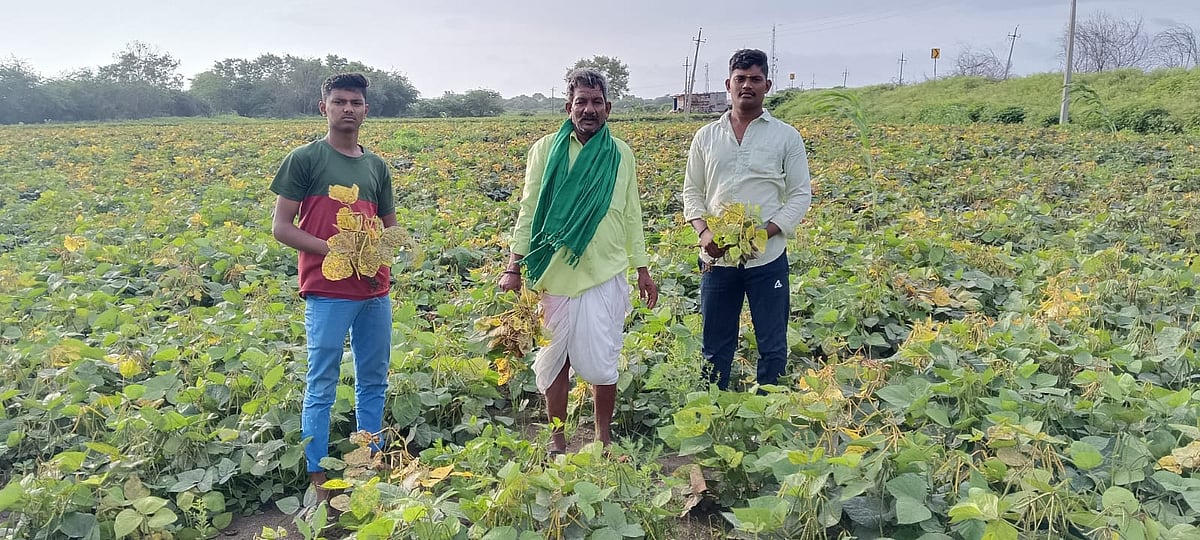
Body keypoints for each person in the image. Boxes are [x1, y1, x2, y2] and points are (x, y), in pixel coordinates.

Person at [499, 68, 658, 455]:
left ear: (608, 108)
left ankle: (603, 439)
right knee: (556, 360)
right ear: (569, 106)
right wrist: (513, 265)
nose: (589, 109)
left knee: (604, 361)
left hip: (605, 271)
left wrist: (642, 268)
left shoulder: (621, 153)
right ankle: (557, 440)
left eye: (597, 102)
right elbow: (529, 208)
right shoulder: (544, 150)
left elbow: (631, 214)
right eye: (581, 102)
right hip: (554, 272)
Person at [269, 73, 395, 500]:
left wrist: (386, 251)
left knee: (373, 380)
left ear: (366, 110)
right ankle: (318, 481)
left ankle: (370, 465)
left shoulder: (376, 166)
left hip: (375, 290)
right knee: (321, 382)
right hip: (326, 288)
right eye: (339, 101)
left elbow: (389, 227)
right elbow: (282, 228)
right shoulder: (304, 159)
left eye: (355, 102)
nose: (348, 109)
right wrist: (336, 251)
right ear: (323, 107)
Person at [681, 49, 813, 391]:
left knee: (772, 345)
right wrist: (704, 232)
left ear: (767, 84)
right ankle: (713, 407)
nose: (747, 86)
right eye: (740, 79)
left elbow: (800, 194)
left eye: (755, 79)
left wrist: (763, 233)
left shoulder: (786, 136)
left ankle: (770, 410)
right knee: (715, 346)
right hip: (717, 256)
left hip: (767, 258)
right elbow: (692, 192)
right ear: (728, 84)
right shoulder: (706, 136)